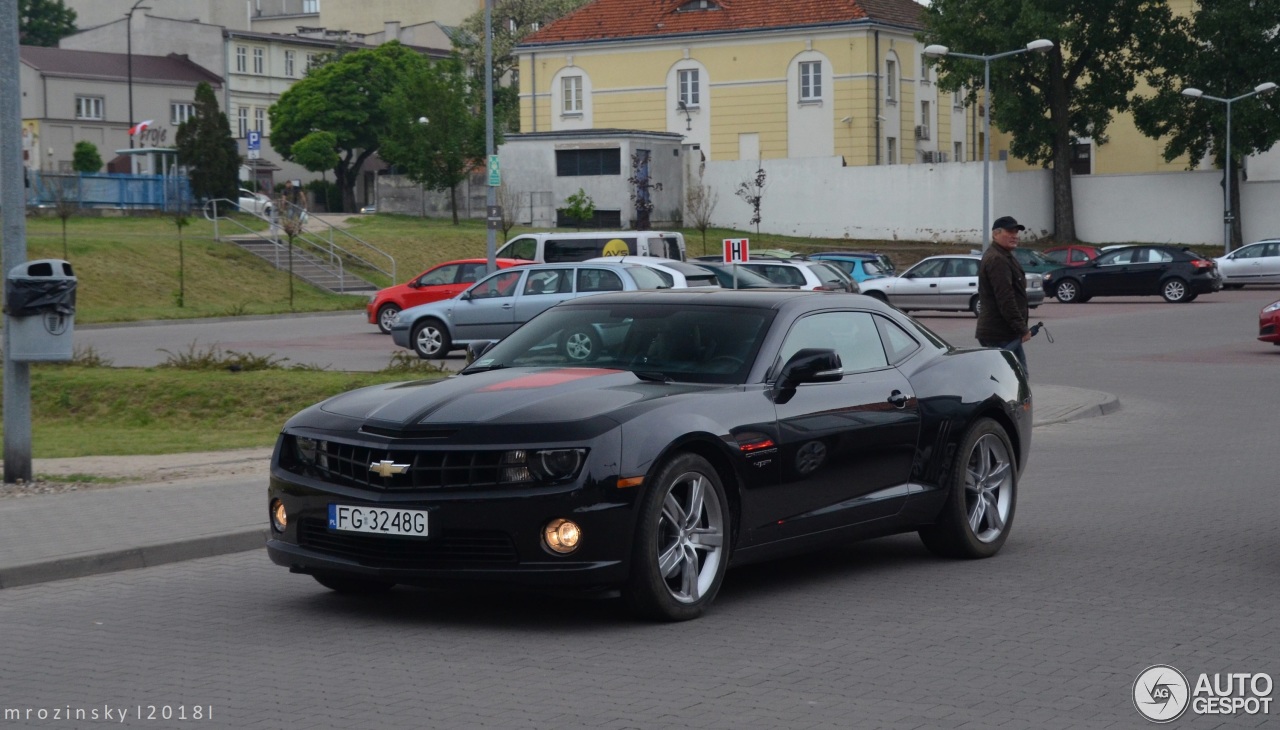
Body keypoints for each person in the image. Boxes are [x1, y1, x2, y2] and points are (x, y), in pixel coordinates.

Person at [976, 215, 1031, 374]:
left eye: (1016, 232)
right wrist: (1022, 328)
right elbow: (1005, 298)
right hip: (999, 333)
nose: (1015, 236)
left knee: (1009, 378)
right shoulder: (997, 259)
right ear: (995, 234)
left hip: (1004, 332)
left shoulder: (1004, 256)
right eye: (1009, 231)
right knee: (1015, 379)